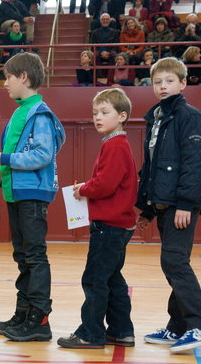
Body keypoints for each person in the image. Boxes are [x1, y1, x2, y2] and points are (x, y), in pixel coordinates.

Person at [0, 52, 66, 342]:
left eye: (9, 77)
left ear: (24, 78)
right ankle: (24, 313)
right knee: (22, 256)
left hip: (32, 194)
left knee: (34, 255)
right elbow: (20, 154)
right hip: (16, 193)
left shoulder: (39, 114)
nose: (5, 83)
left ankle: (39, 318)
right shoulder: (21, 111)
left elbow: (43, 154)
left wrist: (2, 157)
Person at [57, 88, 137, 349]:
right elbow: (107, 181)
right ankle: (121, 331)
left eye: (105, 112)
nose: (98, 117)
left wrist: (84, 189)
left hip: (110, 226)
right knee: (112, 278)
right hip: (118, 225)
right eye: (95, 113)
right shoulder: (116, 143)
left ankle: (91, 334)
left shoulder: (115, 145)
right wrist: (90, 186)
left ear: (122, 116)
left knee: (94, 279)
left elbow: (105, 186)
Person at [137, 57, 201, 353]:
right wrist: (147, 208)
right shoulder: (156, 118)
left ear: (183, 83)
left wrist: (187, 203)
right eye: (158, 82)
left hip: (181, 204)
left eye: (170, 81)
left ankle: (198, 326)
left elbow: (194, 163)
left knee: (174, 262)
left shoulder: (189, 116)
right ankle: (178, 328)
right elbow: (152, 166)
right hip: (163, 204)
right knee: (172, 263)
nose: (163, 86)